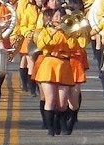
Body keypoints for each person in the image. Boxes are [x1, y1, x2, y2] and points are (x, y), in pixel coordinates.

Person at [32, 8, 76, 136]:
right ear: (51, 18)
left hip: (64, 65)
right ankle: (50, 128)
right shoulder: (45, 31)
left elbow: (73, 46)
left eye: (61, 16)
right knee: (50, 99)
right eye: (56, 16)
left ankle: (58, 121)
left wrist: (68, 32)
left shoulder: (68, 32)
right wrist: (53, 32)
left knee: (62, 103)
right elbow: (41, 45)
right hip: (49, 65)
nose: (58, 18)